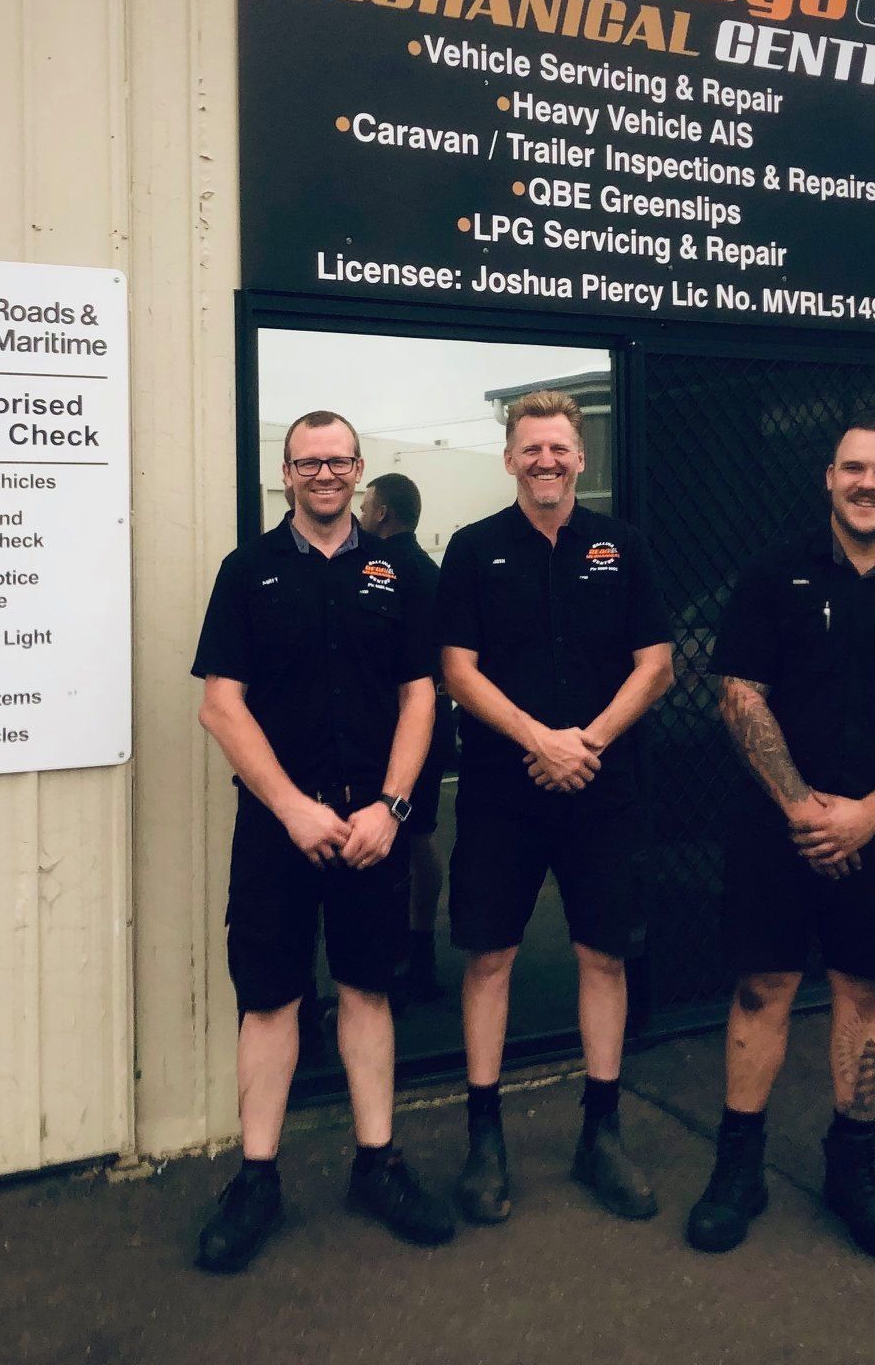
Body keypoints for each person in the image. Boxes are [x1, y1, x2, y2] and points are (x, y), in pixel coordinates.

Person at [686, 411, 875, 1262]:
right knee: (761, 989)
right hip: (771, 832)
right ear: (827, 476)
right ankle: (736, 1168)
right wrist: (801, 809)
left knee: (862, 992)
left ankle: (851, 1167)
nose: (866, 482)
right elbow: (739, 694)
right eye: (852, 467)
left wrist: (867, 813)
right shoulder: (769, 576)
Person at [191, 409, 454, 1272]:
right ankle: (257, 1179)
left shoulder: (398, 572)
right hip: (279, 828)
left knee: (367, 989)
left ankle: (376, 1164)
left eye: (339, 460)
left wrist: (392, 805)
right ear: (287, 471)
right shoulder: (248, 571)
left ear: (358, 468)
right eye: (309, 462)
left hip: (371, 824)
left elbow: (422, 696)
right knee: (268, 998)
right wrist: (290, 807)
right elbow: (220, 703)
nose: (325, 473)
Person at [437, 389, 674, 1224]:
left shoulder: (624, 547)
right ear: (509, 458)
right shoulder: (472, 550)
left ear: (580, 459)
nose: (545, 459)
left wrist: (587, 743)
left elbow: (655, 664)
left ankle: (599, 1133)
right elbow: (457, 670)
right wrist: (539, 739)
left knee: (602, 955)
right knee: (490, 957)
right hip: (505, 790)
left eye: (559, 448)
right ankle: (484, 1140)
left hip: (604, 787)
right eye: (530, 446)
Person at [360, 472, 456, 1003]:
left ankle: (392, 964)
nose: (362, 513)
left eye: (366, 504)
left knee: (391, 838)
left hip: (399, 724)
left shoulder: (382, 569)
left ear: (383, 514)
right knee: (420, 834)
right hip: (437, 718)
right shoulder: (430, 570)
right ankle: (421, 957)